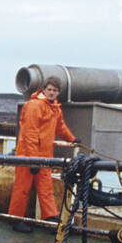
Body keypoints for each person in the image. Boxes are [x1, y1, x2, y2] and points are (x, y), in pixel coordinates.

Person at [8, 77, 76, 232]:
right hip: (28, 155)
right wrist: (33, 161)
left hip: (45, 156)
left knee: (46, 187)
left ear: (58, 92)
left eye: (55, 90)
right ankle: (15, 219)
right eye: (50, 89)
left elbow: (60, 127)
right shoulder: (34, 106)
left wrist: (73, 139)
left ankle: (50, 217)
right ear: (44, 90)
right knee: (22, 188)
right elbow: (30, 134)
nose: (52, 93)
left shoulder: (55, 108)